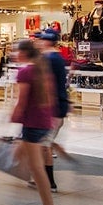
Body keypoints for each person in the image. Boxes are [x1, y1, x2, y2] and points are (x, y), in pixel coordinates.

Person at [11, 38, 59, 205]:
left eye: (16, 51)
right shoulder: (40, 68)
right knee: (29, 161)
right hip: (43, 121)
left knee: (37, 169)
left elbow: (21, 102)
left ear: (23, 53)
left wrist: (14, 117)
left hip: (33, 123)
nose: (14, 54)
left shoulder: (25, 72)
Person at [34, 28, 72, 193]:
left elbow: (47, 86)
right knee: (43, 144)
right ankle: (41, 178)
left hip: (52, 109)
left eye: (41, 39)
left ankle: (49, 182)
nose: (38, 42)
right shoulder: (57, 57)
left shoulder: (49, 59)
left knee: (44, 145)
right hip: (56, 107)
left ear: (47, 40)